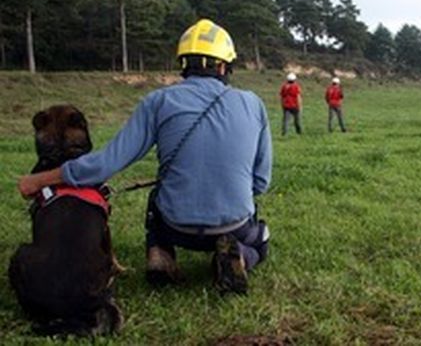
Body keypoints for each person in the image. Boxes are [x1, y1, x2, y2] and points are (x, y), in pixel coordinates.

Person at [17, 19, 272, 296]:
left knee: (157, 199)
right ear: (223, 66)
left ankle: (160, 254)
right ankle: (242, 256)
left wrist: (41, 179)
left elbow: (107, 163)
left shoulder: (158, 101)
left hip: (176, 226)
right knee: (261, 239)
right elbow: (260, 182)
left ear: (184, 63)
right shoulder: (254, 104)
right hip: (233, 226)